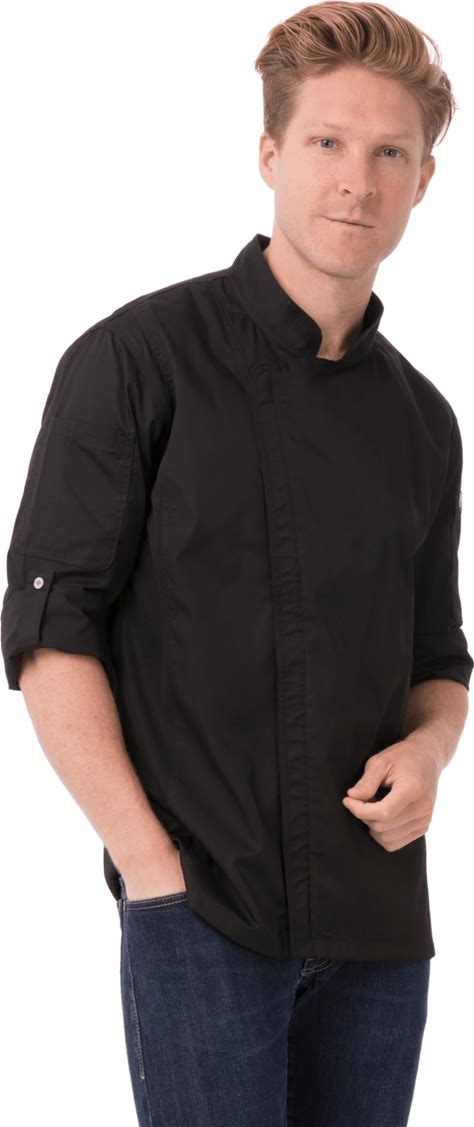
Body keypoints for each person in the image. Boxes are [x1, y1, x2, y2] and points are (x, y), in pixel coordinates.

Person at [1, 3, 472, 1124]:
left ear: (423, 180)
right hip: (201, 915)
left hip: (379, 929)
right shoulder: (135, 359)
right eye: (327, 141)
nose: (356, 180)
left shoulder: (423, 419)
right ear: (269, 153)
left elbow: (438, 651)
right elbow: (49, 632)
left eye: (389, 153)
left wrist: (428, 749)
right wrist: (149, 867)